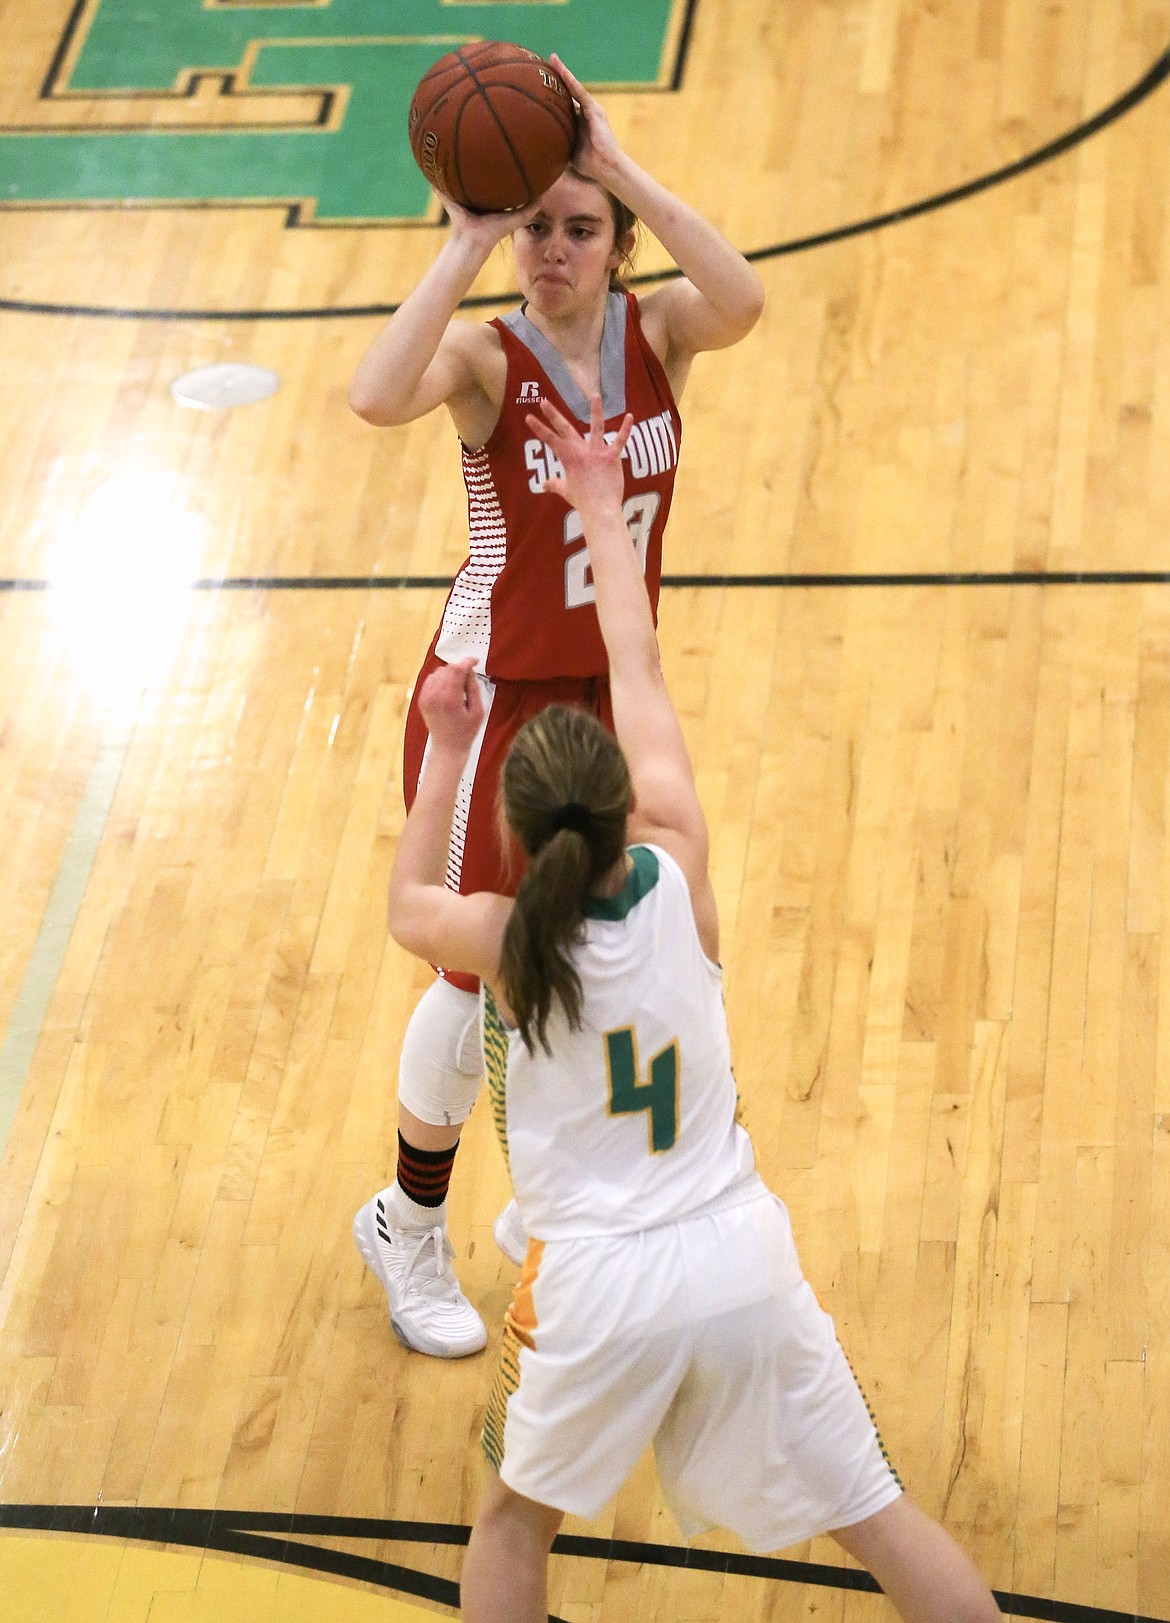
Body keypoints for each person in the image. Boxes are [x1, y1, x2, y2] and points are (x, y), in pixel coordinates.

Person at [384, 397, 1003, 1623]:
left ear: (519, 834)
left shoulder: (509, 938)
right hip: (739, 1256)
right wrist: (605, 510)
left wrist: (448, 744)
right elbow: (636, 660)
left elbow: (409, 904)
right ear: (623, 804)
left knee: (511, 1534)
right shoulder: (680, 873)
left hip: (597, 1285)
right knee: (881, 1519)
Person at [349, 53, 765, 1358]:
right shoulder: (486, 353)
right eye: (535, 227)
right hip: (493, 695)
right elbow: (371, 395)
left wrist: (618, 161)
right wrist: (465, 237)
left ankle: (552, 1186)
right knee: (477, 972)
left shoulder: (657, 337)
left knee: (607, 951)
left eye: (577, 228)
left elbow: (741, 297)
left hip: (604, 686)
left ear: (617, 241)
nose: (552, 250)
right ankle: (407, 1224)